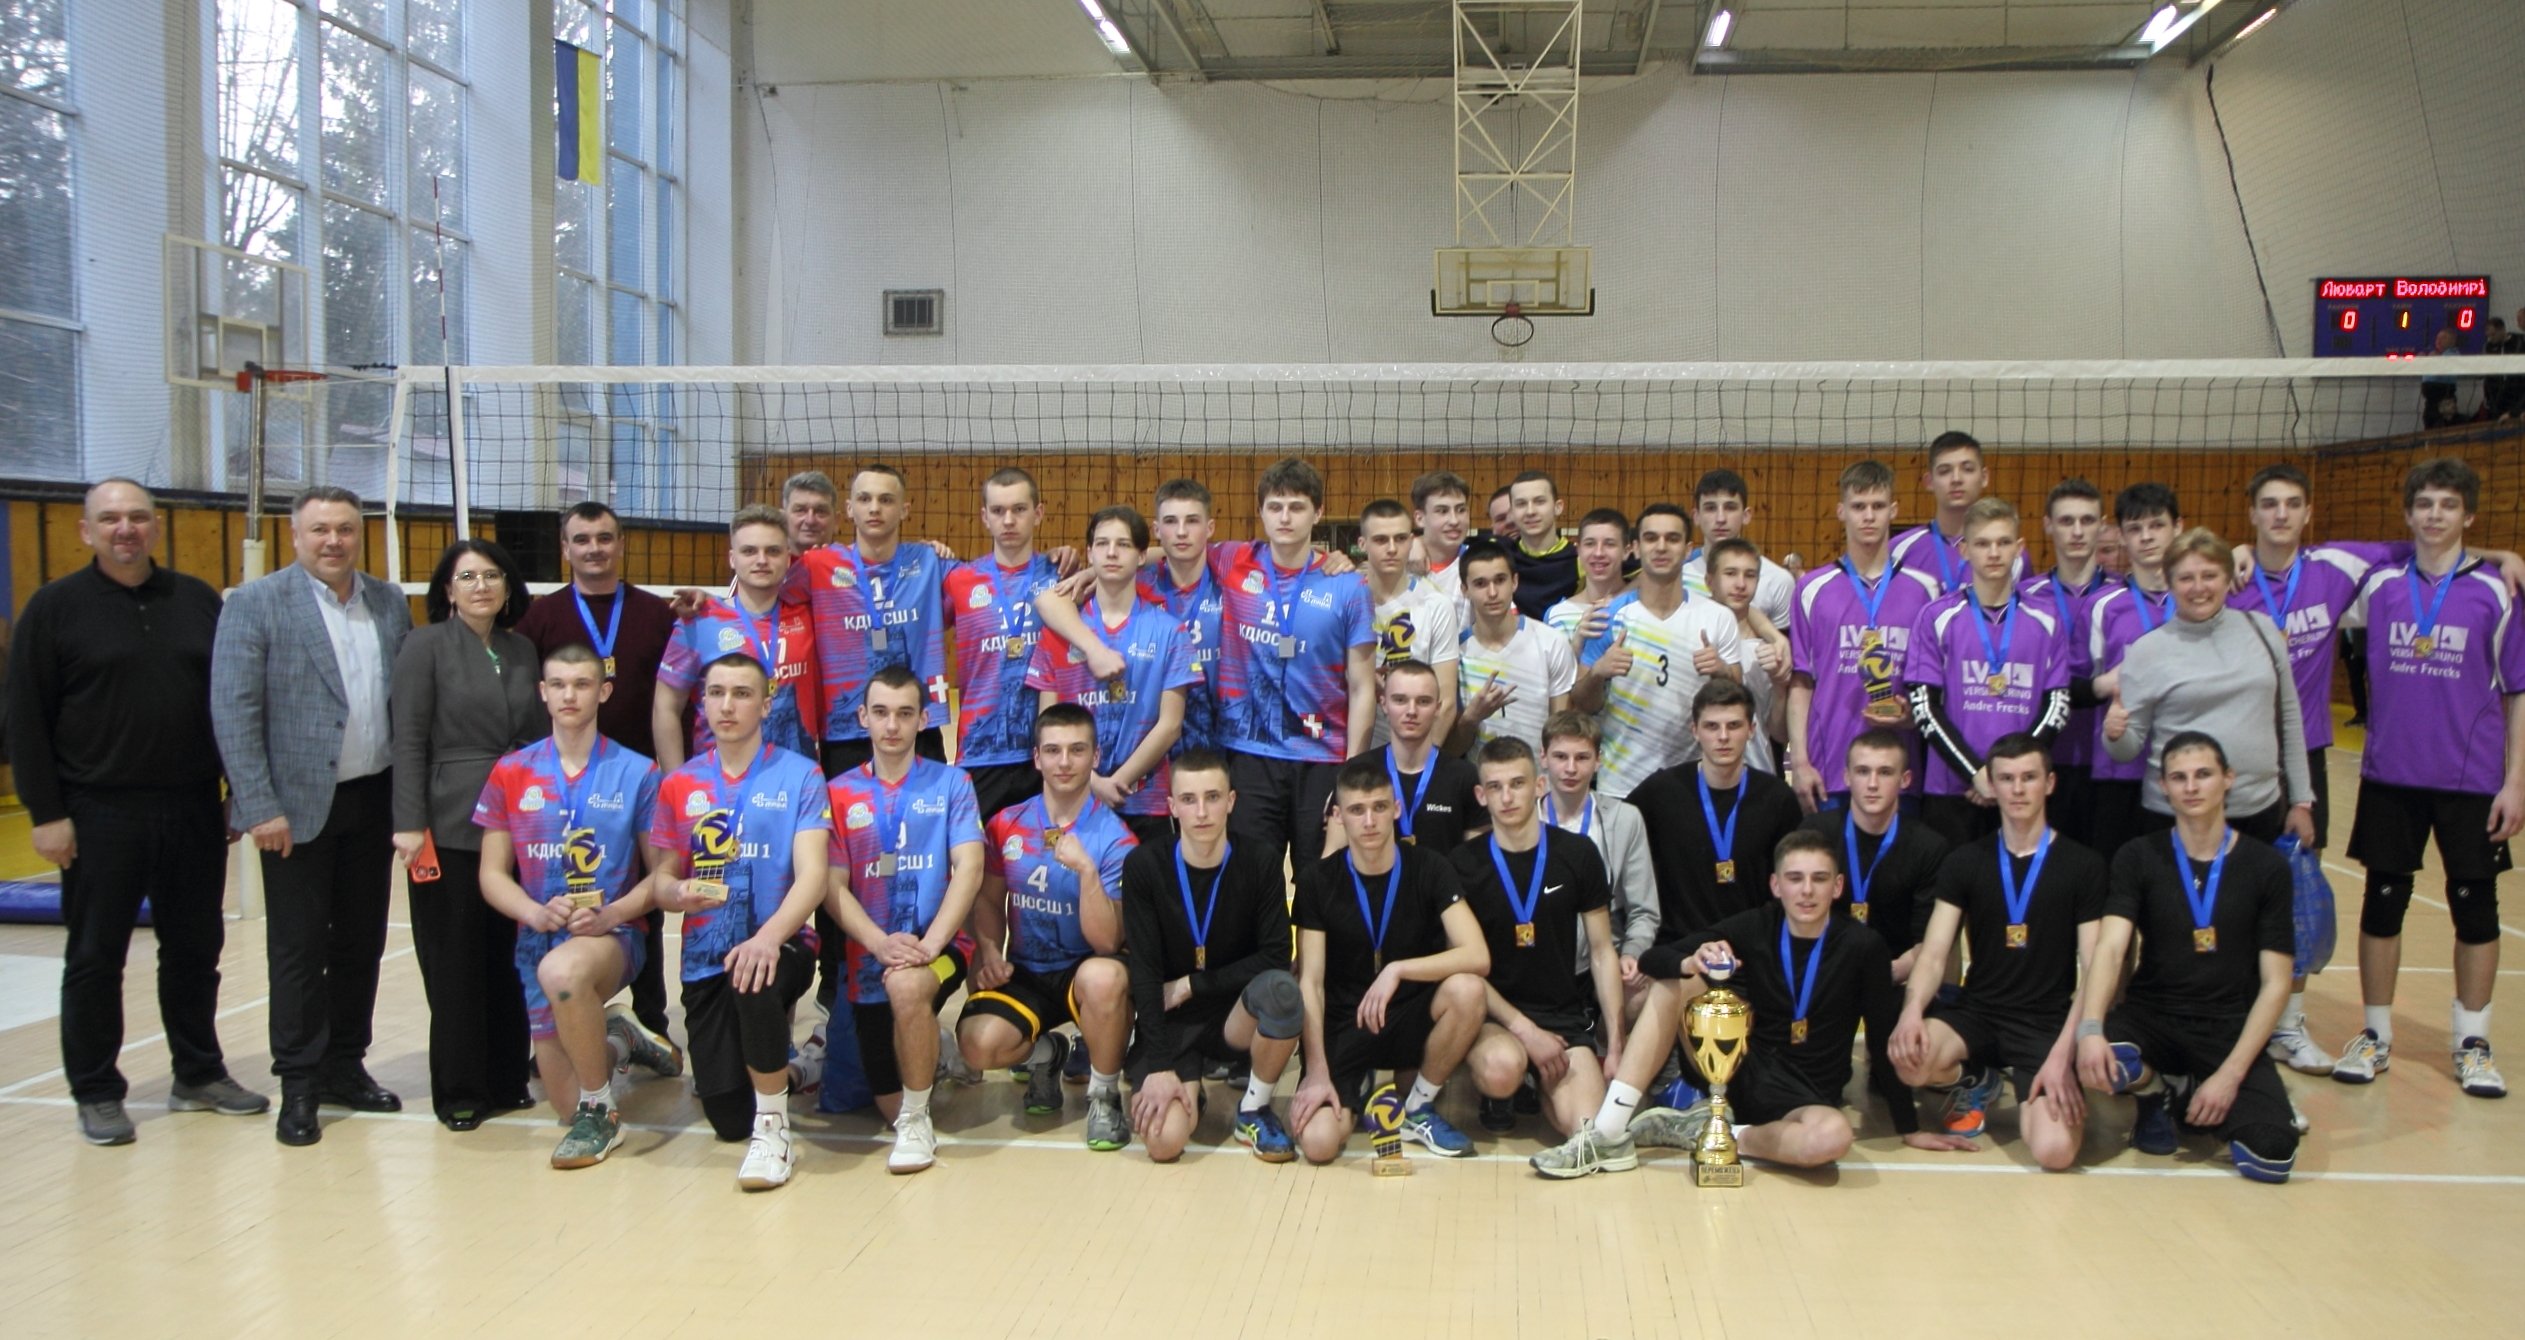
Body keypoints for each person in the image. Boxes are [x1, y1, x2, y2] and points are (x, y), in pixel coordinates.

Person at [8, 479, 265, 1145]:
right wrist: (46, 812)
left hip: (191, 807)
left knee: (195, 950)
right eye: (110, 518)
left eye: (137, 517)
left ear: (155, 526)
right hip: (99, 811)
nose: (125, 529)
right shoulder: (54, 608)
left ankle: (198, 1074)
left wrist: (239, 790)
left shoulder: (195, 600)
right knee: (96, 957)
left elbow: (230, 701)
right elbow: (26, 716)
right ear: (86, 531)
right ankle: (96, 1090)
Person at [1055, 458, 1375, 878]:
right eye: (1275, 507)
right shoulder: (1235, 559)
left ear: (1318, 513)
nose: (1285, 517)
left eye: (1297, 507)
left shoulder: (1347, 584)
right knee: (1249, 874)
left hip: (1322, 756)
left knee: (1323, 875)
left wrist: (1353, 770)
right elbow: (1177, 548)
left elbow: (1363, 686)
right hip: (1250, 755)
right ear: (1260, 512)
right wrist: (1102, 566)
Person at [209, 485, 411, 1147]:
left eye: (345, 529)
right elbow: (233, 710)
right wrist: (257, 804)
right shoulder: (255, 603)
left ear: (359, 535)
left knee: (360, 943)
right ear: (295, 536)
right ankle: (298, 1083)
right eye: (320, 529)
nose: (333, 541)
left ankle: (344, 1065)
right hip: (292, 810)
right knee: (297, 950)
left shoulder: (388, 601)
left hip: (372, 798)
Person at [1549, 830, 1933, 1177]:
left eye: (1819, 879)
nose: (1807, 891)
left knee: (1832, 1137)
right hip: (1738, 1072)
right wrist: (1692, 960)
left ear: (1837, 886)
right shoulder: (1756, 925)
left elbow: (1882, 1032)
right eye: (1795, 878)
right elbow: (1653, 960)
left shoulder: (1863, 946)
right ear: (1775, 885)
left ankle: (1719, 1132)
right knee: (1675, 981)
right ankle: (1609, 1131)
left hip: (1807, 1095)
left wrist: (1909, 1126)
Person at [2334, 458, 2524, 1097]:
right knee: (2382, 901)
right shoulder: (2381, 584)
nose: (2435, 515)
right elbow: (2313, 568)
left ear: (2469, 514)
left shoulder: (2497, 591)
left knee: (2476, 908)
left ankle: (2473, 1041)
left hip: (2472, 779)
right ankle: (2375, 1035)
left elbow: (2517, 691)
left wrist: (2516, 781)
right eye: (2424, 504)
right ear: (2408, 513)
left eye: (2448, 504)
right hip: (2392, 773)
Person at [473, 643, 677, 1170]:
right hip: (537, 939)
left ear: (603, 692)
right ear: (542, 693)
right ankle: (620, 1038)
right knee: (565, 1106)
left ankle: (602, 1114)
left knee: (563, 973)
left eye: (582, 684)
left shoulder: (637, 772)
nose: (570, 695)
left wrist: (613, 915)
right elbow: (491, 874)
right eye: (559, 685)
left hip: (609, 937)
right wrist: (532, 912)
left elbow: (661, 874)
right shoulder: (511, 772)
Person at [2075, 732, 2301, 1183]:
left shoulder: (2266, 867)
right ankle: (2155, 1090)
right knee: (2099, 1058)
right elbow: (2111, 948)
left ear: (2228, 779)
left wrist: (2230, 1077)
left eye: (2203, 774)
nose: (2192, 787)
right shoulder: (2138, 856)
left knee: (2271, 1158)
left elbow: (2277, 983)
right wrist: (2091, 1028)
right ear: (2164, 787)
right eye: (2179, 778)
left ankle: (2198, 1089)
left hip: (2227, 1026)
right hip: (2153, 1017)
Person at [648, 654, 833, 1190]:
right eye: (716, 693)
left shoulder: (801, 774)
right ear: (702, 703)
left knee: (755, 980)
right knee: (729, 1120)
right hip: (707, 956)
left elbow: (813, 875)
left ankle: (774, 1132)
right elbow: (661, 879)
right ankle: (797, 1069)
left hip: (783, 946)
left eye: (742, 694)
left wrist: (768, 938)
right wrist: (676, 892)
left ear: (766, 705)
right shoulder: (680, 784)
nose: (727, 705)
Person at [1889, 734, 2103, 1165]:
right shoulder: (1965, 861)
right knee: (1910, 1061)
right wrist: (1912, 1011)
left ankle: (2040, 1086)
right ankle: (1976, 1080)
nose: (2018, 789)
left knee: (2055, 1153)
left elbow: (2095, 969)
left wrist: (2065, 1052)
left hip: (2045, 1023)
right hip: (1979, 1012)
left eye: (2029, 778)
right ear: (1991, 784)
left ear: (2050, 783)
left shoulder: (2083, 865)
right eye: (2006, 778)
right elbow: (1934, 952)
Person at [390, 539, 544, 1130]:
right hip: (449, 820)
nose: (482, 586)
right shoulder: (423, 646)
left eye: (492, 576)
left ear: (508, 588)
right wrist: (409, 823)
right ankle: (459, 1089)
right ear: (448, 590)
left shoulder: (521, 649)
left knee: (507, 957)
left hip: (517, 821)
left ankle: (506, 1078)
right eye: (468, 577)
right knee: (454, 960)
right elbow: (408, 738)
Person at [513, 499, 680, 1049]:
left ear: (621, 544)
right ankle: (560, 1025)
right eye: (581, 540)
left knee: (645, 899)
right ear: (565, 548)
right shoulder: (542, 616)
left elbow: (675, 698)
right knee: (563, 896)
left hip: (637, 783)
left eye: (604, 538)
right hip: (565, 785)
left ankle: (650, 1022)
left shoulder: (655, 614)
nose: (594, 549)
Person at [823, 666, 986, 1172]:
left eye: (904, 714)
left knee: (909, 987)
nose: (892, 725)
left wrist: (932, 944)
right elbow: (830, 886)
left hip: (940, 949)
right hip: (869, 955)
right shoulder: (838, 792)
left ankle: (918, 1120)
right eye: (881, 713)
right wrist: (877, 943)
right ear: (862, 718)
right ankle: (928, 1054)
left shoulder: (953, 783)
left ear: (923, 720)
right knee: (877, 1103)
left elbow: (970, 868)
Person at [1290, 758, 1491, 1163]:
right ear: (1338, 816)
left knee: (1468, 989)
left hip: (1409, 1012)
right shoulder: (1316, 880)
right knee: (1319, 1144)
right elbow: (1310, 982)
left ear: (1396, 809)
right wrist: (1316, 1071)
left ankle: (1418, 1106)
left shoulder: (1430, 867)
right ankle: (1357, 1082)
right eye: (1357, 810)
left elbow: (1477, 955)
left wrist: (1398, 970)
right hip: (1345, 1021)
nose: (1369, 821)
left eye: (1379, 807)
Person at [956, 704, 1137, 1149]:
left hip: (1084, 972)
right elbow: (988, 899)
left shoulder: (1116, 839)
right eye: (1053, 751)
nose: (1064, 762)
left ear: (1096, 757)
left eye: (1077, 750)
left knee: (1105, 976)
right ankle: (1047, 1053)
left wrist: (1087, 872)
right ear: (1036, 758)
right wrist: (990, 951)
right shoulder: (1006, 824)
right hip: (1027, 969)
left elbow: (1107, 941)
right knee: (977, 1045)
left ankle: (1104, 1095)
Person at [1120, 750, 1303, 1163]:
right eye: (1189, 800)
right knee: (1164, 1143)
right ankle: (1189, 1089)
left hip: (1235, 1017)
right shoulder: (1144, 865)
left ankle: (1254, 1108)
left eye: (1213, 797)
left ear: (1231, 801)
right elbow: (1144, 969)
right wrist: (1160, 1066)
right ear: (1172, 807)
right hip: (1172, 1020)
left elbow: (1276, 955)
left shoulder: (1260, 860)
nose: (1201, 812)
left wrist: (1192, 984)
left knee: (1281, 989)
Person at [1454, 739, 1626, 1142]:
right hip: (1494, 1017)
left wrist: (1616, 1044)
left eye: (1517, 783)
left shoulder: (1578, 854)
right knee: (1501, 1070)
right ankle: (1506, 1086)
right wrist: (1526, 1032)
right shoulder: (1462, 865)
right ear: (1480, 795)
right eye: (1495, 787)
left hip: (1562, 1015)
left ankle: (1538, 1083)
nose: (1507, 797)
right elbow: (1463, 969)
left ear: (1540, 785)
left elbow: (1602, 952)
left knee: (1587, 1130)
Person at [2103, 527, 2316, 848]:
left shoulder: (2262, 631)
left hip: (2258, 809)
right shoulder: (2148, 650)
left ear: (2227, 578)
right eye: (2186, 578)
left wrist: (2301, 801)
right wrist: (2114, 734)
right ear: (2170, 582)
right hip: (2174, 815)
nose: (2198, 588)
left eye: (2209, 576)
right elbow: (2126, 750)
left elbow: (2289, 718)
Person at [1903, 498, 2073, 846]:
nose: (1994, 553)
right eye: (1982, 543)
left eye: (2003, 542)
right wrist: (1975, 774)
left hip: (2021, 790)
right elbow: (1925, 708)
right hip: (1951, 790)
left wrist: (2007, 775)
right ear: (1964, 550)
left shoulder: (2047, 620)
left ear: (2019, 548)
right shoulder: (1936, 617)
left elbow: (2056, 706)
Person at [1030, 506, 1195, 848]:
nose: (1112, 552)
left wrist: (1118, 782)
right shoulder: (1061, 631)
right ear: (1089, 554)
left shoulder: (1171, 632)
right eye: (1102, 544)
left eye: (1123, 544)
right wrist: (1093, 783)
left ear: (1141, 556)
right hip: (1074, 798)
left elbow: (1171, 725)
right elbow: (1047, 722)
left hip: (1146, 801)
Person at [1788, 460, 1943, 813]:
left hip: (1901, 771)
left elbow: (1935, 689)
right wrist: (1799, 762)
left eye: (1878, 506)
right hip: (1829, 768)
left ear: (1894, 510)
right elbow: (1801, 682)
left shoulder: (1927, 590)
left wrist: (1911, 717)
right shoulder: (1812, 588)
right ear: (1841, 512)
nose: (1869, 516)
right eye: (1858, 506)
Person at [1573, 504, 1743, 801]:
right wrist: (1598, 673)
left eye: (1672, 538)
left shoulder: (1718, 617)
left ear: (1688, 549)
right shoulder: (1607, 617)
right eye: (1651, 538)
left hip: (1694, 781)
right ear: (1636, 548)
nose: (1661, 547)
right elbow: (1581, 705)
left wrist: (1721, 672)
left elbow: (1738, 697)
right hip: (1622, 784)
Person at [802, 464, 955, 774]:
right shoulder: (817, 564)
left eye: (886, 500)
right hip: (846, 731)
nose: (874, 508)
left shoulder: (929, 561)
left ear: (904, 510)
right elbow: (763, 590)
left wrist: (1053, 562)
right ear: (849, 509)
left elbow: (994, 580)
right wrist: (707, 601)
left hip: (918, 725)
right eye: (864, 499)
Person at [1628, 679, 1806, 944]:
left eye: (1733, 726)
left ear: (1751, 730)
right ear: (1695, 731)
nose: (1723, 737)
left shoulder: (1777, 797)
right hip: (1678, 947)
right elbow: (1618, 837)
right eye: (1712, 726)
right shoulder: (1661, 791)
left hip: (1753, 947)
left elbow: (1792, 878)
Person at [947, 468, 1073, 820]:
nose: (1008, 520)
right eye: (998, 510)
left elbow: (1136, 560)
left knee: (1045, 849)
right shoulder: (958, 579)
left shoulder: (1063, 576)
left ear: (1039, 513)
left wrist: (1090, 569)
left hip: (1048, 751)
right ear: (984, 517)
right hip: (981, 750)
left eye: (1019, 509)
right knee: (977, 851)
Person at [655, 506, 822, 769]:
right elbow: (666, 706)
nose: (762, 560)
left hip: (794, 776)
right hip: (718, 777)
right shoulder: (699, 621)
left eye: (773, 551)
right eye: (749, 551)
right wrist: (674, 781)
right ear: (732, 559)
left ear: (788, 558)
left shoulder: (810, 615)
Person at [1797, 729, 1951, 980]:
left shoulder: (1929, 847)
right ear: (1847, 777)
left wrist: (1881, 977)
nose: (1872, 784)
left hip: (1894, 977)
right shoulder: (1815, 833)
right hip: (1821, 974)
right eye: (1862, 771)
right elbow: (1793, 915)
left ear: (1905, 780)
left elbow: (1927, 942)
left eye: (1885, 772)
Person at [2085, 482, 2185, 861]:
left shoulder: (2197, 600)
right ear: (2123, 537)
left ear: (2178, 527)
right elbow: (2082, 684)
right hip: (2120, 771)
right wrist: (2106, 684)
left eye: (2157, 525)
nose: (2146, 537)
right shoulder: (2103, 606)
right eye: (2135, 528)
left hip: (2186, 770)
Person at [2018, 478, 2117, 848]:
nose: (2077, 532)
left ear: (2102, 526)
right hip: (2045, 758)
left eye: (2087, 521)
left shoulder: (2123, 595)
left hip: (2108, 762)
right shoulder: (2024, 598)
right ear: (2047, 524)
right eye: (2066, 521)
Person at [1540, 711, 1659, 1011]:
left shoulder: (1625, 819)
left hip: (1605, 954)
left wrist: (1633, 952)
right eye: (1560, 757)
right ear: (1543, 758)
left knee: (1641, 996)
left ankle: (1607, 1038)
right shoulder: (1525, 818)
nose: (1570, 768)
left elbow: (1644, 910)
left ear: (1598, 761)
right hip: (1538, 954)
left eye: (1582, 758)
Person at [1326, 660, 1482, 855]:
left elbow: (1478, 864)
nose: (1411, 711)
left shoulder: (1465, 777)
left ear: (1437, 708)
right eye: (1400, 700)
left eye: (1423, 701)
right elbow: (1332, 856)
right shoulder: (1355, 771)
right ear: (1383, 703)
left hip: (1445, 876)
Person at [1449, 540, 1577, 755]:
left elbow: (1561, 733)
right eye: (1480, 583)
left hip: (1540, 774)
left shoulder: (1552, 643)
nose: (1492, 592)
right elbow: (1451, 751)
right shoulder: (1455, 654)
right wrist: (1471, 718)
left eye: (1500, 580)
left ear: (1515, 582)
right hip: (1480, 775)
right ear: (1465, 590)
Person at [1358, 499, 1462, 747]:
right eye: (1381, 540)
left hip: (1416, 751)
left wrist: (1421, 763)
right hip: (1355, 749)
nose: (1392, 548)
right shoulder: (1344, 599)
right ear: (1362, 544)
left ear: (1412, 541)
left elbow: (1446, 703)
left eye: (1401, 539)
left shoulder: (1436, 604)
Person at [1145, 479, 1226, 780]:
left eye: (1192, 521)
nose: (1181, 532)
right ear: (1156, 530)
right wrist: (1090, 570)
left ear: (1210, 527)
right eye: (1170, 522)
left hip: (1225, 737)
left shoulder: (1231, 581)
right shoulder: (1137, 585)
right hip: (1157, 741)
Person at [1891, 431, 2025, 595]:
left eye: (1967, 469)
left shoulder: (2011, 554)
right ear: (1929, 481)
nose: (1956, 479)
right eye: (1944, 471)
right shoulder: (1899, 549)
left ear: (1984, 477)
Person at [1705, 537, 1794, 774]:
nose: (1741, 584)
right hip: (1696, 776)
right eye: (1730, 573)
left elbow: (1780, 734)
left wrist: (1780, 686)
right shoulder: (1691, 632)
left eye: (1750, 575)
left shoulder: (1769, 649)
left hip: (1756, 773)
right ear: (1709, 581)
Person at [1682, 469, 1794, 627]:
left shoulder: (1778, 580)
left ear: (1746, 515)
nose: (1720, 518)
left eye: (1730, 507)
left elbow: (1782, 641)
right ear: (1696, 516)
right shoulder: (1679, 578)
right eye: (1710, 508)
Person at [1544, 508, 1633, 648]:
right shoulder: (1557, 616)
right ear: (1578, 550)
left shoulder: (1642, 607)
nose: (1598, 553)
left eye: (1609, 544)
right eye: (1590, 543)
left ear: (1626, 551)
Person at [1505, 471, 1580, 618]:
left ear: (1558, 507)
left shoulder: (1580, 559)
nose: (1530, 511)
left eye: (1539, 501)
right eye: (1521, 504)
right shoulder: (1501, 555)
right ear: (1512, 512)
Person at [1409, 470, 1475, 614]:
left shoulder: (1479, 562)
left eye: (1461, 510)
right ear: (1420, 518)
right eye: (1442, 511)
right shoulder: (1399, 562)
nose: (1454, 521)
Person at [780, 469, 840, 553]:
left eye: (820, 511)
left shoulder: (850, 561)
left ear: (836, 521)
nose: (810, 521)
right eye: (800, 510)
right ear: (783, 519)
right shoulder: (764, 560)